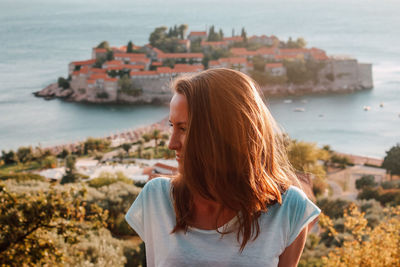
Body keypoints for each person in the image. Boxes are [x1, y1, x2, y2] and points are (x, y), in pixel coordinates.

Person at [125, 68, 320, 267]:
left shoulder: (288, 208)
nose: (172, 143)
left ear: (225, 132)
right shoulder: (157, 199)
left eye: (184, 129)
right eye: (171, 126)